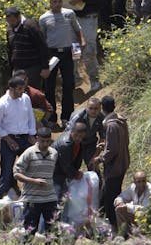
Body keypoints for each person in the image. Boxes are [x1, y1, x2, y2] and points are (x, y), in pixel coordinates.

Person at [39, 0, 85, 126]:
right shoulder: (44, 18)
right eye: (54, 2)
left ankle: (66, 117)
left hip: (67, 52)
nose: (57, 4)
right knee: (49, 86)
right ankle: (52, 118)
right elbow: (41, 38)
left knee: (69, 84)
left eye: (59, 1)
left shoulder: (69, 14)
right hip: (51, 53)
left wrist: (82, 40)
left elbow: (77, 29)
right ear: (50, 3)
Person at [90, 95, 130, 229]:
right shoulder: (120, 120)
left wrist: (100, 158)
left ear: (102, 108)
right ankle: (103, 224)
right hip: (123, 162)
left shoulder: (111, 125)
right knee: (108, 194)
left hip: (115, 167)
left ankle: (115, 227)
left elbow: (112, 150)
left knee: (109, 198)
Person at [0, 76, 37, 199]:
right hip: (9, 139)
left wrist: (32, 134)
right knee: (6, 171)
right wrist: (7, 139)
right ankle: (0, 200)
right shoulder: (1, 104)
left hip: (25, 138)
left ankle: (33, 196)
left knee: (32, 166)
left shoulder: (25, 99)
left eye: (23, 89)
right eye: (19, 89)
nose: (21, 91)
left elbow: (31, 117)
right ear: (11, 89)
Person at [13, 127, 59, 240]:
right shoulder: (29, 153)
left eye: (48, 141)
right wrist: (34, 181)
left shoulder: (54, 153)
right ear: (37, 138)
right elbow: (16, 173)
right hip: (32, 198)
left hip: (50, 197)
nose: (45, 143)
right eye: (42, 141)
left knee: (53, 229)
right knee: (30, 229)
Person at [68, 0, 103, 92]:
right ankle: (76, 78)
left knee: (89, 49)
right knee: (74, 48)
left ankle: (94, 80)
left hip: (90, 17)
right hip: (76, 17)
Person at [5, 7, 49, 90]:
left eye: (12, 21)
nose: (11, 23)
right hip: (17, 69)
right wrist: (11, 68)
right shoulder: (10, 30)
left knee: (32, 93)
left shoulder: (30, 26)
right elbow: (10, 50)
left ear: (19, 17)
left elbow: (42, 46)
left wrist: (45, 67)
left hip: (32, 68)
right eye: (9, 21)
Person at [114, 171, 151, 238]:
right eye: (139, 182)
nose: (141, 184)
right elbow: (121, 197)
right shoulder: (132, 187)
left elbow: (146, 209)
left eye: (143, 181)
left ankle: (140, 233)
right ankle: (124, 234)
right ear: (134, 182)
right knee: (119, 209)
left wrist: (127, 207)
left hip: (147, 217)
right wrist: (120, 202)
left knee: (136, 212)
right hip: (135, 214)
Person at [51, 122, 86, 200]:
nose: (78, 138)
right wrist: (75, 174)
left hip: (63, 169)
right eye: (76, 135)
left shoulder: (77, 141)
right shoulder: (65, 145)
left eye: (81, 137)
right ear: (72, 131)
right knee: (57, 195)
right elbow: (66, 165)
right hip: (55, 171)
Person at [66, 97, 105, 166]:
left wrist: (95, 156)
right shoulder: (78, 116)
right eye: (90, 108)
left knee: (92, 165)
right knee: (74, 164)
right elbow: (68, 133)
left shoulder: (102, 117)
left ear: (100, 109)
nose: (93, 111)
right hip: (77, 142)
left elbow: (102, 137)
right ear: (86, 108)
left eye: (96, 108)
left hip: (91, 142)